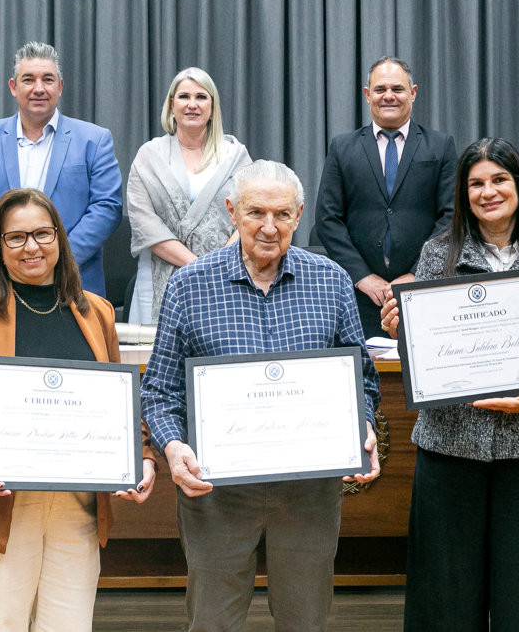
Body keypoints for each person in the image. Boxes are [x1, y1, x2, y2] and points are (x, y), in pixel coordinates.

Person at [141, 159, 381, 631]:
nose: (269, 227)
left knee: (304, 621)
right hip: (216, 492)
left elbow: (363, 381)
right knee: (213, 622)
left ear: (300, 214)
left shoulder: (331, 281)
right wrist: (172, 446)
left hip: (309, 492)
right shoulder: (190, 285)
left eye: (282, 214)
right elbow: (160, 390)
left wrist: (364, 425)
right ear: (232, 211)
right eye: (256, 213)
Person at [380, 137, 519, 631]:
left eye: (499, 179)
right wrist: (403, 332)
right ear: (463, 193)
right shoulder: (437, 256)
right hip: (449, 453)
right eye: (476, 183)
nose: (488, 192)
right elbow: (427, 362)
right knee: (446, 597)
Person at [0, 188, 157, 632]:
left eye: (42, 234)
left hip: (77, 511)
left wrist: (142, 459)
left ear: (59, 239)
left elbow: (123, 409)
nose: (31, 247)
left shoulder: (97, 313)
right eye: (16, 238)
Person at [0, 42, 123, 297]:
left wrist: (55, 258)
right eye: (28, 79)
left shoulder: (94, 140)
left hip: (71, 283)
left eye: (48, 79)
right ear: (13, 87)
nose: (38, 88)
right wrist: (2, 254)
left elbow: (107, 207)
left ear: (60, 87)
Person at [316, 56, 458, 337]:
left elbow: (452, 217)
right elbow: (327, 219)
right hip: (360, 297)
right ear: (367, 95)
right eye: (380, 90)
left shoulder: (441, 146)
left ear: (413, 93)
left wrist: (419, 274)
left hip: (424, 292)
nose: (389, 96)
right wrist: (363, 277)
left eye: (398, 89)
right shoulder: (342, 147)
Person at [126, 67, 252, 323]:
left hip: (224, 277)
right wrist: (198, 267)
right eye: (184, 97)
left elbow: (250, 214)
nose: (192, 105)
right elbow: (144, 223)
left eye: (201, 97)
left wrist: (216, 266)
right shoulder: (148, 156)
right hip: (158, 279)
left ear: (212, 106)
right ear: (172, 105)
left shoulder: (236, 156)